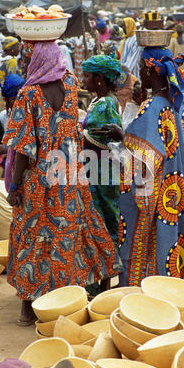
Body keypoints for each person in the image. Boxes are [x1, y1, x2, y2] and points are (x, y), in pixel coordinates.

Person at [2, 40, 122, 325]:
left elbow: (23, 148)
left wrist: (15, 187)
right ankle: (81, 295)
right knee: (74, 230)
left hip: (39, 179)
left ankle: (28, 310)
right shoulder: (69, 87)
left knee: (33, 235)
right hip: (69, 174)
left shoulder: (28, 95)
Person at [97, 46, 184, 287]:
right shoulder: (179, 104)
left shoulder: (151, 107)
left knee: (148, 246)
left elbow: (145, 156)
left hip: (157, 196)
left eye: (141, 69)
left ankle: (144, 299)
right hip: (177, 190)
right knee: (175, 241)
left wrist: (121, 135)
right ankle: (177, 293)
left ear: (150, 71)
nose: (139, 75)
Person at [81, 54, 123, 252]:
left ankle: (106, 274)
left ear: (99, 79)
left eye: (87, 76)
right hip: (98, 167)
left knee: (104, 219)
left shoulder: (106, 103)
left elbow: (102, 137)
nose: (83, 80)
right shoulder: (99, 100)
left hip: (102, 169)